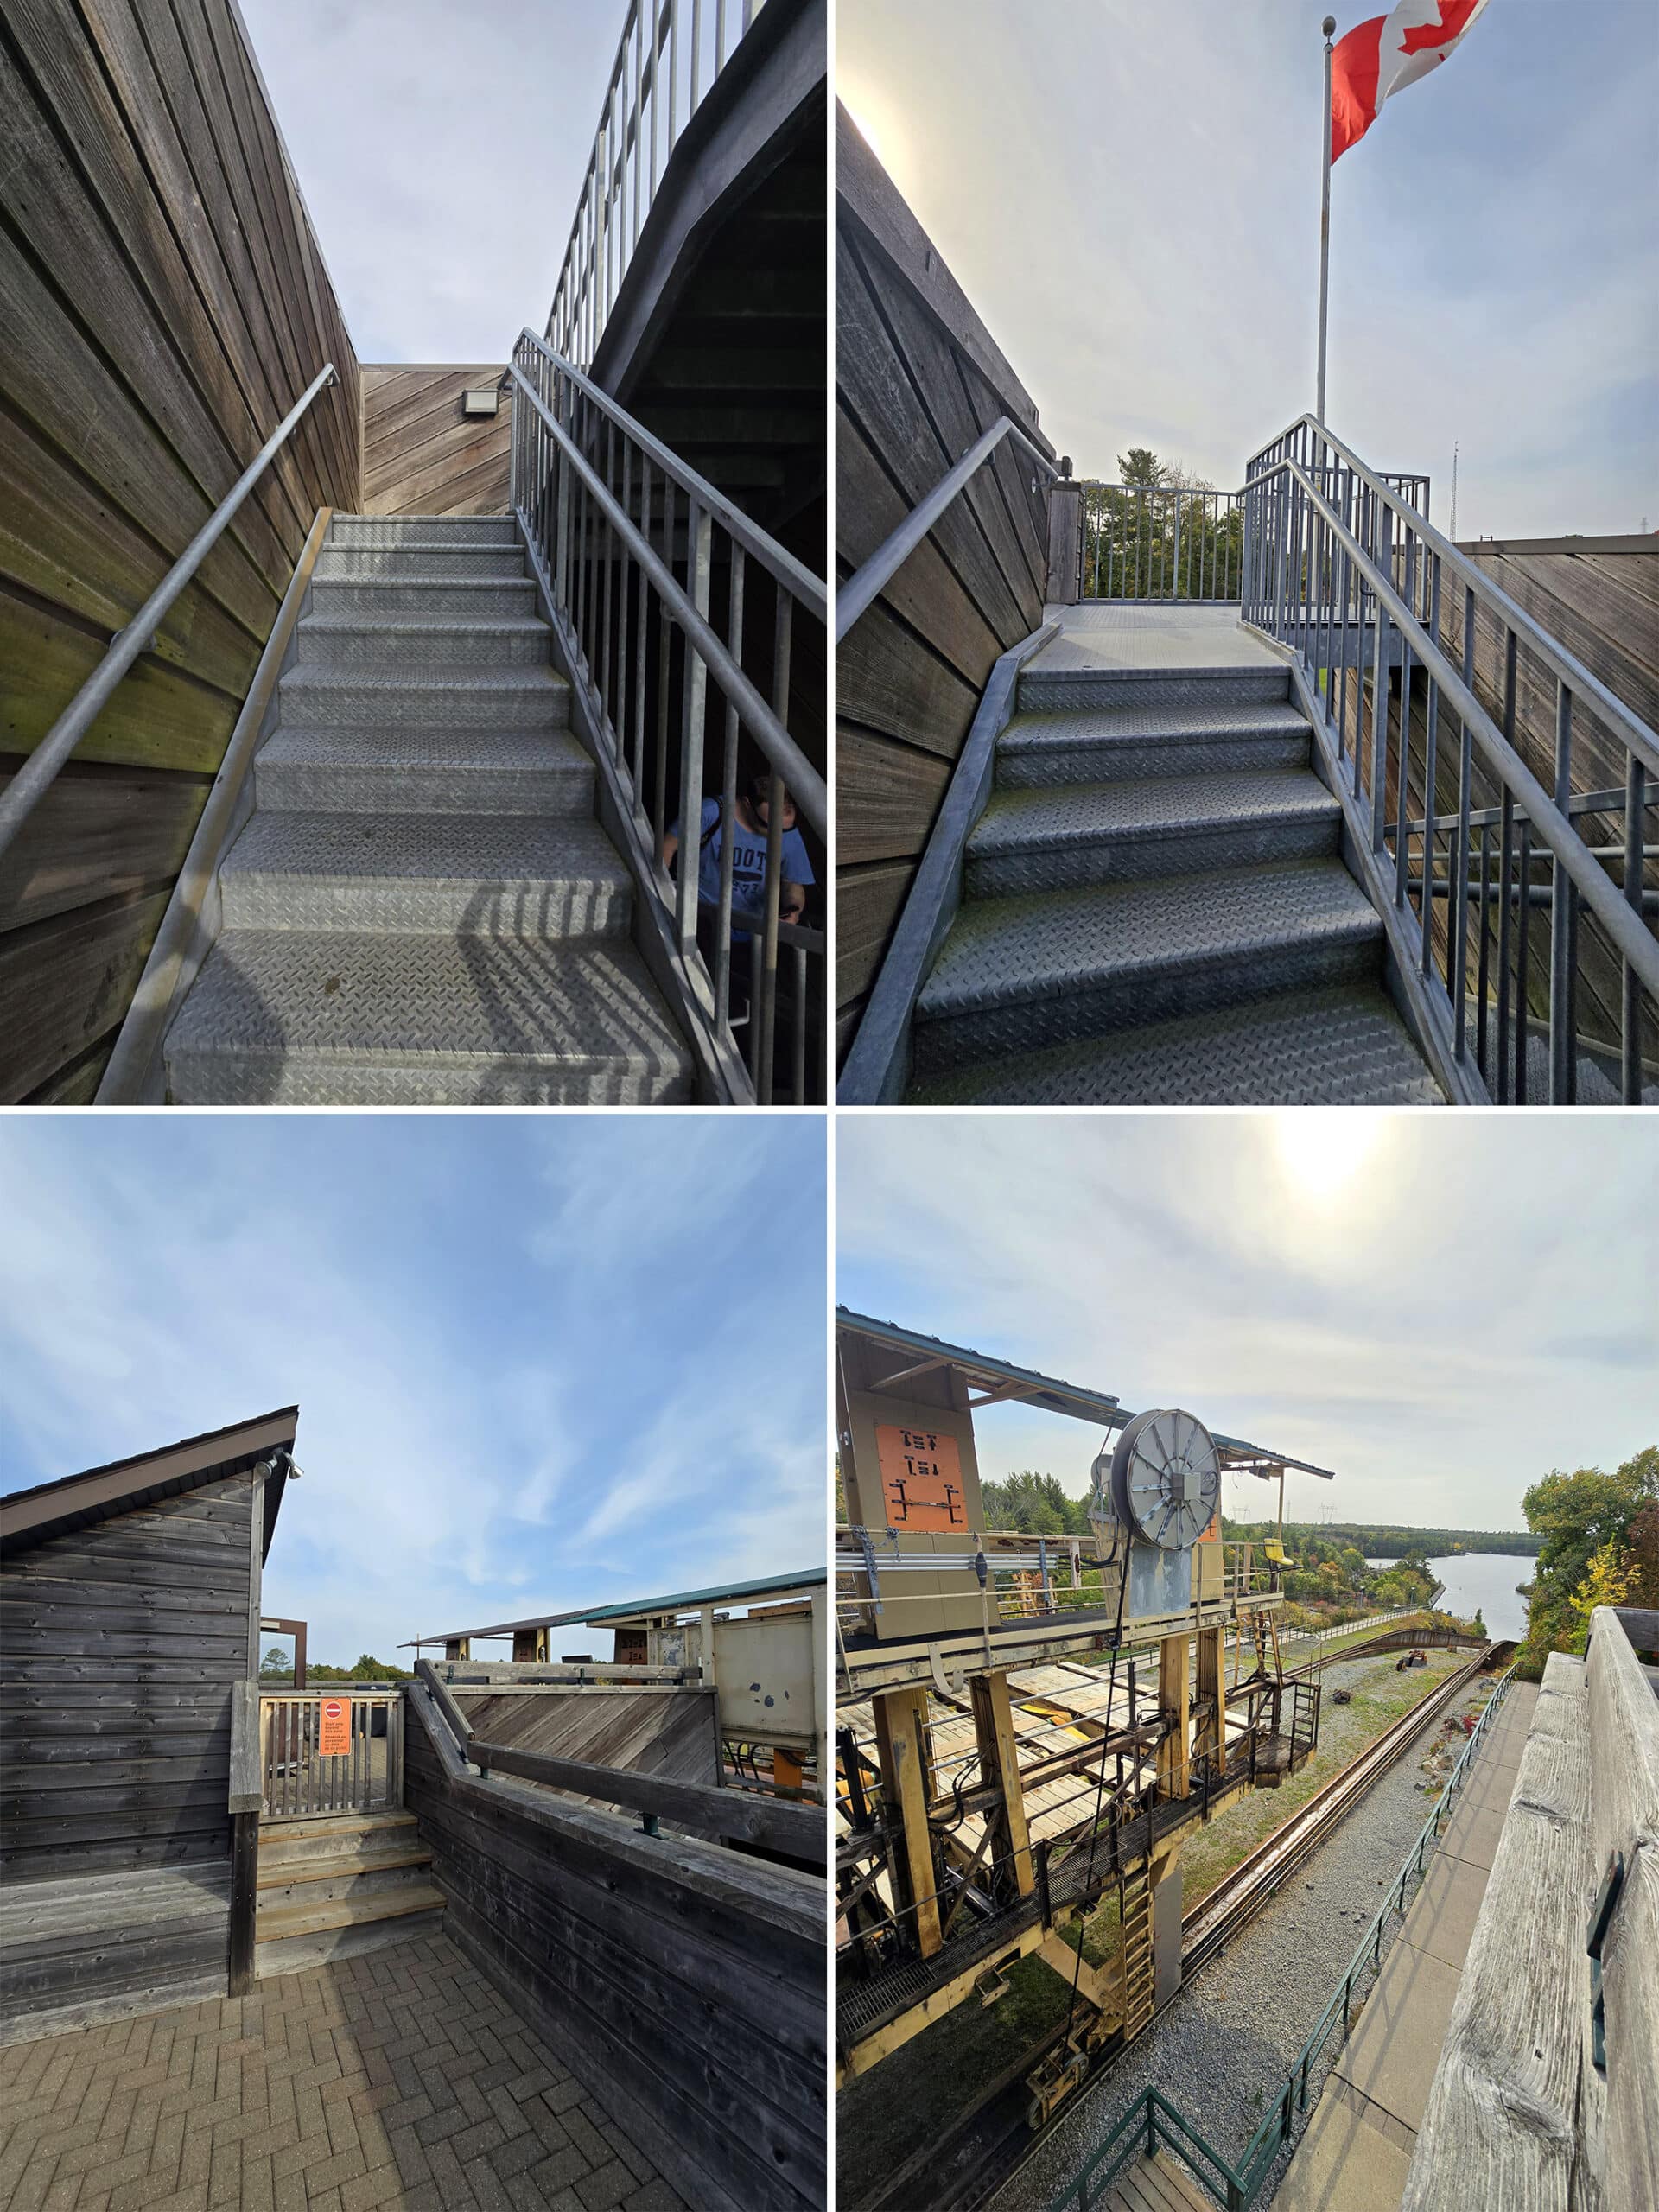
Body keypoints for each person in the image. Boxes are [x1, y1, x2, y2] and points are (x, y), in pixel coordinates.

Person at [661, 774, 815, 1025]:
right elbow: (668, 847)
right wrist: (664, 899)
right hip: (701, 919)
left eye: (783, 828)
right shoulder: (712, 812)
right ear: (745, 804)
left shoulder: (788, 832)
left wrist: (793, 910)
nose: (776, 835)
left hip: (749, 933)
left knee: (743, 1011)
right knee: (702, 996)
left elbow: (793, 883)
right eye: (768, 827)